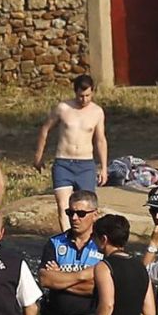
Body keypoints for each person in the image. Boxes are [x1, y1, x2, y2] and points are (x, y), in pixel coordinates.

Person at [34, 75, 108, 232]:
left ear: (92, 92)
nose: (84, 99)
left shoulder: (97, 112)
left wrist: (104, 167)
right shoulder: (63, 108)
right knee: (63, 206)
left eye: (88, 95)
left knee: (87, 206)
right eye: (81, 96)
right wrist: (39, 155)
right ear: (75, 92)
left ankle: (86, 239)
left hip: (86, 164)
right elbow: (45, 129)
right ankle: (67, 241)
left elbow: (100, 140)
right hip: (64, 162)